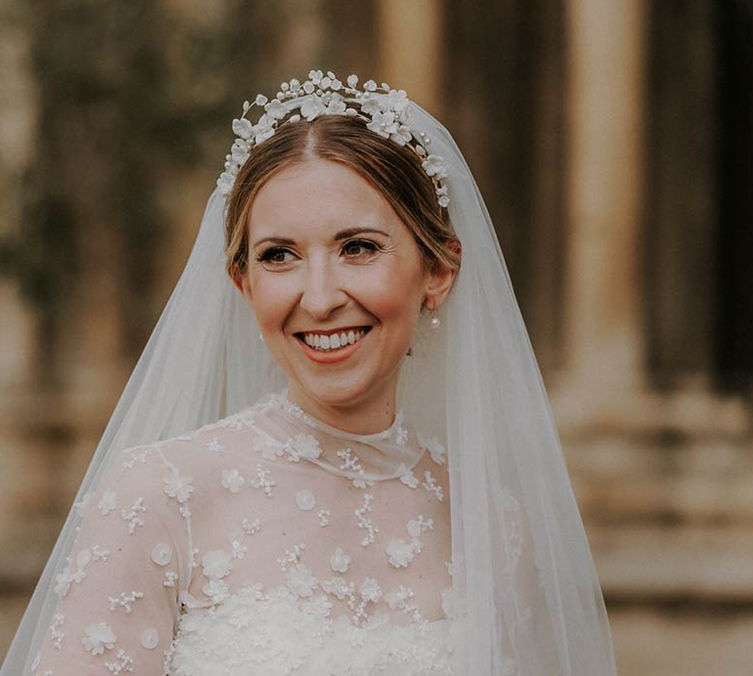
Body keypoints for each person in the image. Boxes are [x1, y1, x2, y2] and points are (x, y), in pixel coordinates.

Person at [2, 71, 616, 675]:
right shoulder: (161, 497)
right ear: (243, 282)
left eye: (358, 248)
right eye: (279, 256)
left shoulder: (493, 532)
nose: (319, 298)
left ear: (438, 271)